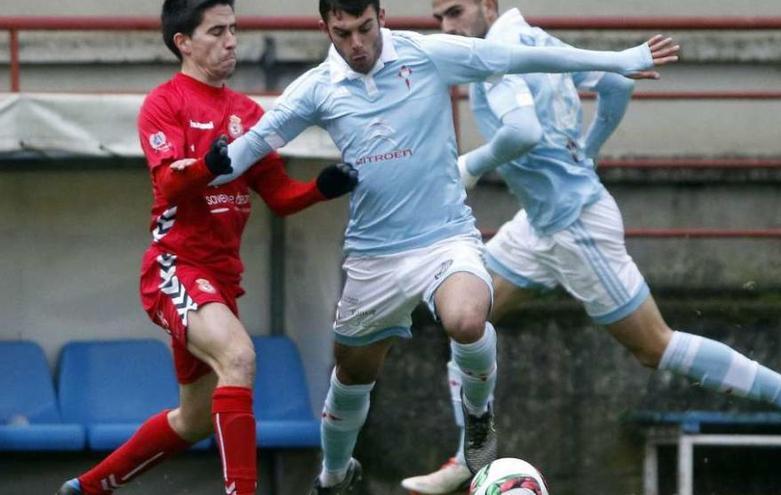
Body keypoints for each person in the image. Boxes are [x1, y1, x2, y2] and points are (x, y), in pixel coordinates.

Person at [205, 0, 678, 492]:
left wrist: (616, 60)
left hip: (445, 238)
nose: (357, 45)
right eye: (343, 34)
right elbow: (254, 145)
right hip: (374, 256)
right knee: (351, 374)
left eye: (365, 28)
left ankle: (478, 420)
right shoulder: (316, 88)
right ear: (325, 27)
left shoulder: (428, 54)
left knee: (467, 319)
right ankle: (333, 474)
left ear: (381, 17)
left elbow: (517, 58)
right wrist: (207, 167)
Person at [399, 1, 781, 493]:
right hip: (539, 224)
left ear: (487, 5)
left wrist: (473, 165)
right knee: (465, 318)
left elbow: (522, 131)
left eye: (454, 11)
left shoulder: (498, 54)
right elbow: (616, 82)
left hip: (576, 225)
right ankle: (470, 454)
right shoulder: (536, 39)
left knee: (655, 346)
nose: (447, 26)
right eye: (438, 18)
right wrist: (589, 149)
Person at [55, 1, 357, 494]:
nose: (231, 41)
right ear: (184, 42)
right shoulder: (165, 103)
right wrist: (208, 166)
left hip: (219, 283)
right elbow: (170, 184)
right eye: (217, 31)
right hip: (174, 269)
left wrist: (322, 187)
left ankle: (87, 488)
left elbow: (278, 196)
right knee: (239, 356)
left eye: (234, 29)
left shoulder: (247, 114)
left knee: (194, 419)